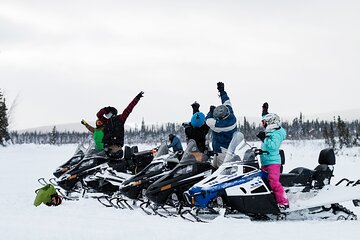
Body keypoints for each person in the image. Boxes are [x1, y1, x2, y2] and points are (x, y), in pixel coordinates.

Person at [256, 103, 289, 210]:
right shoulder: (271, 130)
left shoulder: (277, 134)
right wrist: (264, 112)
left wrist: (264, 139)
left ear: (270, 123)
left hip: (273, 163)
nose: (263, 125)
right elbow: (268, 120)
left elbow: (273, 146)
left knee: (274, 182)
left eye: (264, 123)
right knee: (261, 181)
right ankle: (266, 201)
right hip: (266, 161)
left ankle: (283, 202)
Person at [97, 91, 144, 158]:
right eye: (106, 113)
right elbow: (99, 115)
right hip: (105, 148)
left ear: (112, 113)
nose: (106, 115)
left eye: (107, 113)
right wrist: (105, 109)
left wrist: (137, 98)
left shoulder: (120, 119)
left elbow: (129, 109)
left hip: (115, 148)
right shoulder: (106, 121)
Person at [206, 82, 237, 168]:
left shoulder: (224, 125)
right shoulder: (229, 110)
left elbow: (208, 121)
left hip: (224, 152)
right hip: (217, 150)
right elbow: (226, 101)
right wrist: (222, 91)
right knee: (213, 170)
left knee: (221, 175)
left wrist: (210, 112)